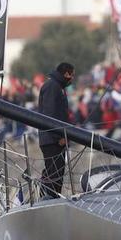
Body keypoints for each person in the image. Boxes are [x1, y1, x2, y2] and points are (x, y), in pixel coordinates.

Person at [38, 62, 75, 199]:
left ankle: (50, 198)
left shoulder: (57, 86)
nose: (72, 79)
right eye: (72, 75)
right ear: (66, 73)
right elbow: (50, 114)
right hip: (52, 140)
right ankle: (49, 199)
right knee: (54, 172)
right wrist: (58, 136)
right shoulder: (52, 87)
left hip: (54, 138)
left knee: (55, 172)